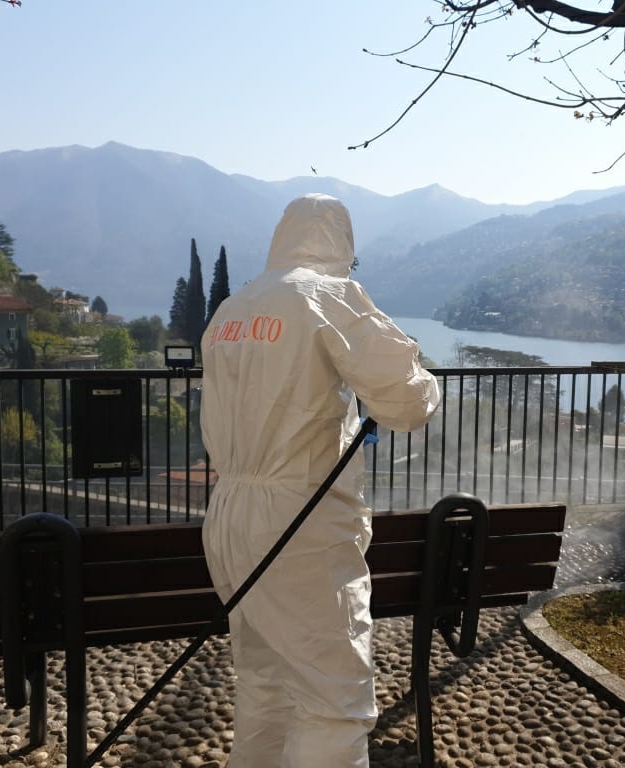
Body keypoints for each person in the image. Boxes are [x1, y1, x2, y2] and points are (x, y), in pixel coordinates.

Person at [199, 193, 441, 767]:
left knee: (266, 686)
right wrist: (423, 376)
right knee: (335, 702)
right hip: (299, 523)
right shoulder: (328, 295)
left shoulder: (233, 308)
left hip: (230, 512)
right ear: (342, 243)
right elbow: (407, 403)